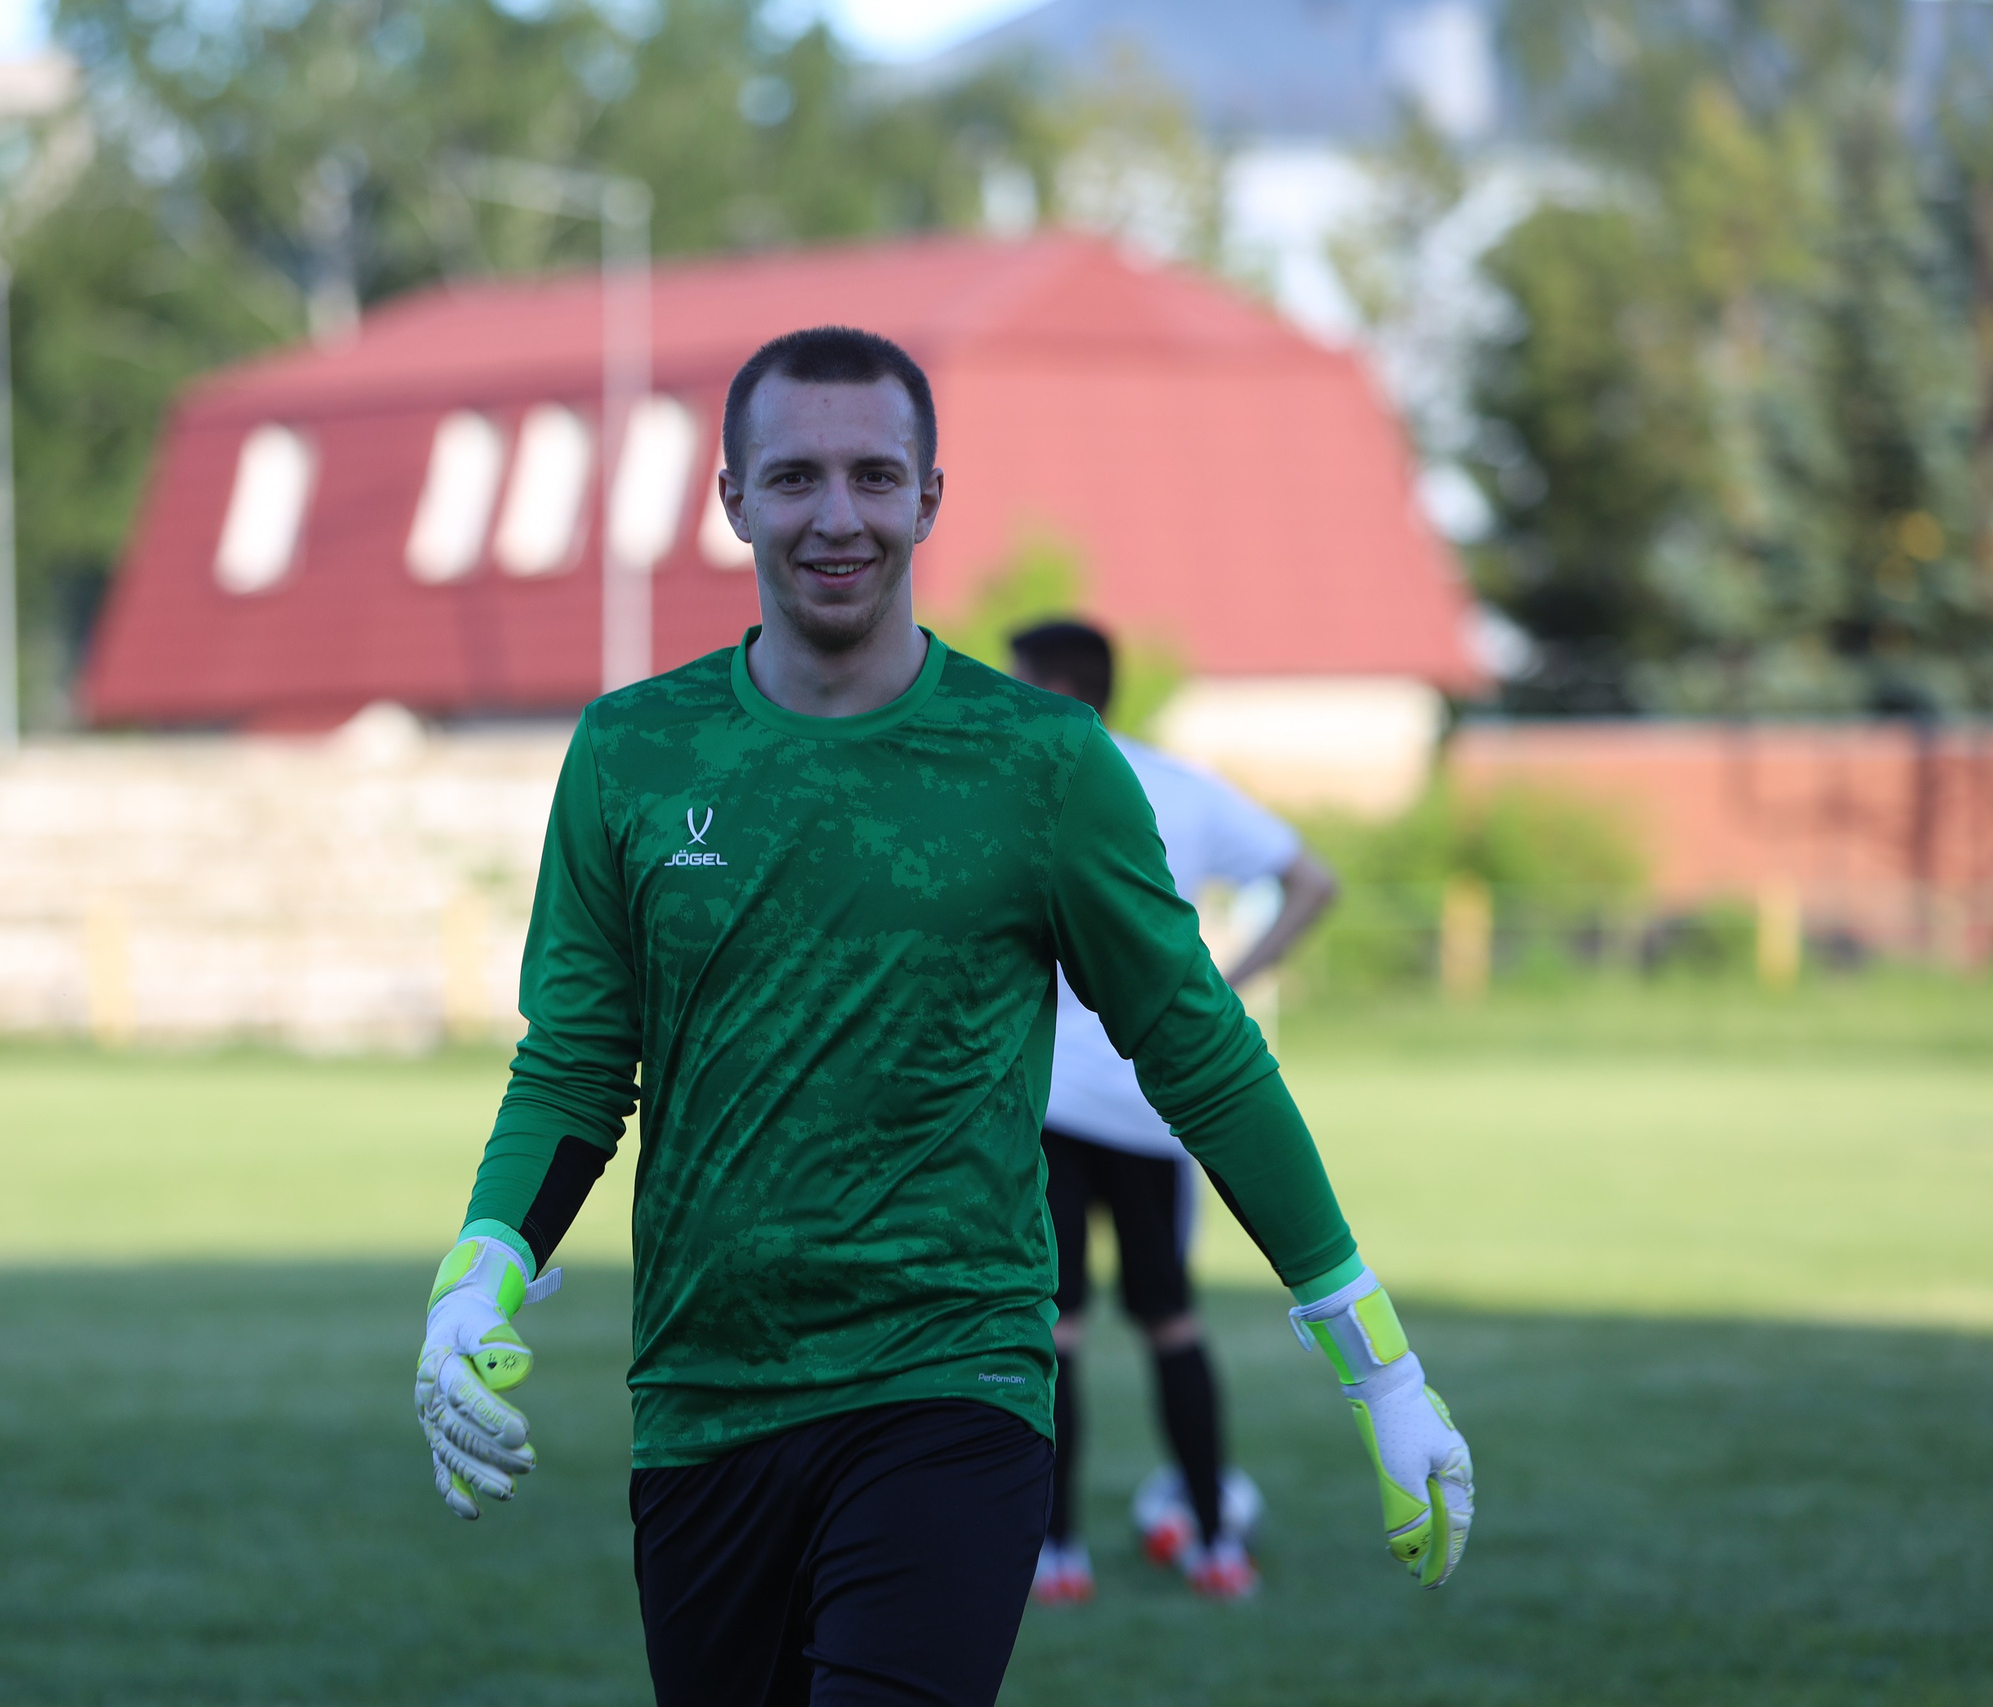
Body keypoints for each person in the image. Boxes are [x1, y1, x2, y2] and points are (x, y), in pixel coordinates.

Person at [412, 326, 1473, 1707]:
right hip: (702, 1395)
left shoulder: (1040, 761)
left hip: (951, 1381)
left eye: (873, 475)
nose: (836, 515)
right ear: (731, 499)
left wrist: (1377, 1363)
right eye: (794, 476)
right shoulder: (633, 751)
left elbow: (1201, 1054)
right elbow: (572, 1066)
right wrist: (480, 1268)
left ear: (928, 499)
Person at [1007, 619, 1340, 1606]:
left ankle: (1055, 1556)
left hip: (1055, 1104)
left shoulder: (1023, 784)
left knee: (1056, 1329)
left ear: (1052, 690)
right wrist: (1227, 986)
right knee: (1172, 1322)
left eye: (1016, 683)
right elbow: (1314, 880)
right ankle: (1215, 1546)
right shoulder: (1181, 787)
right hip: (1156, 1104)